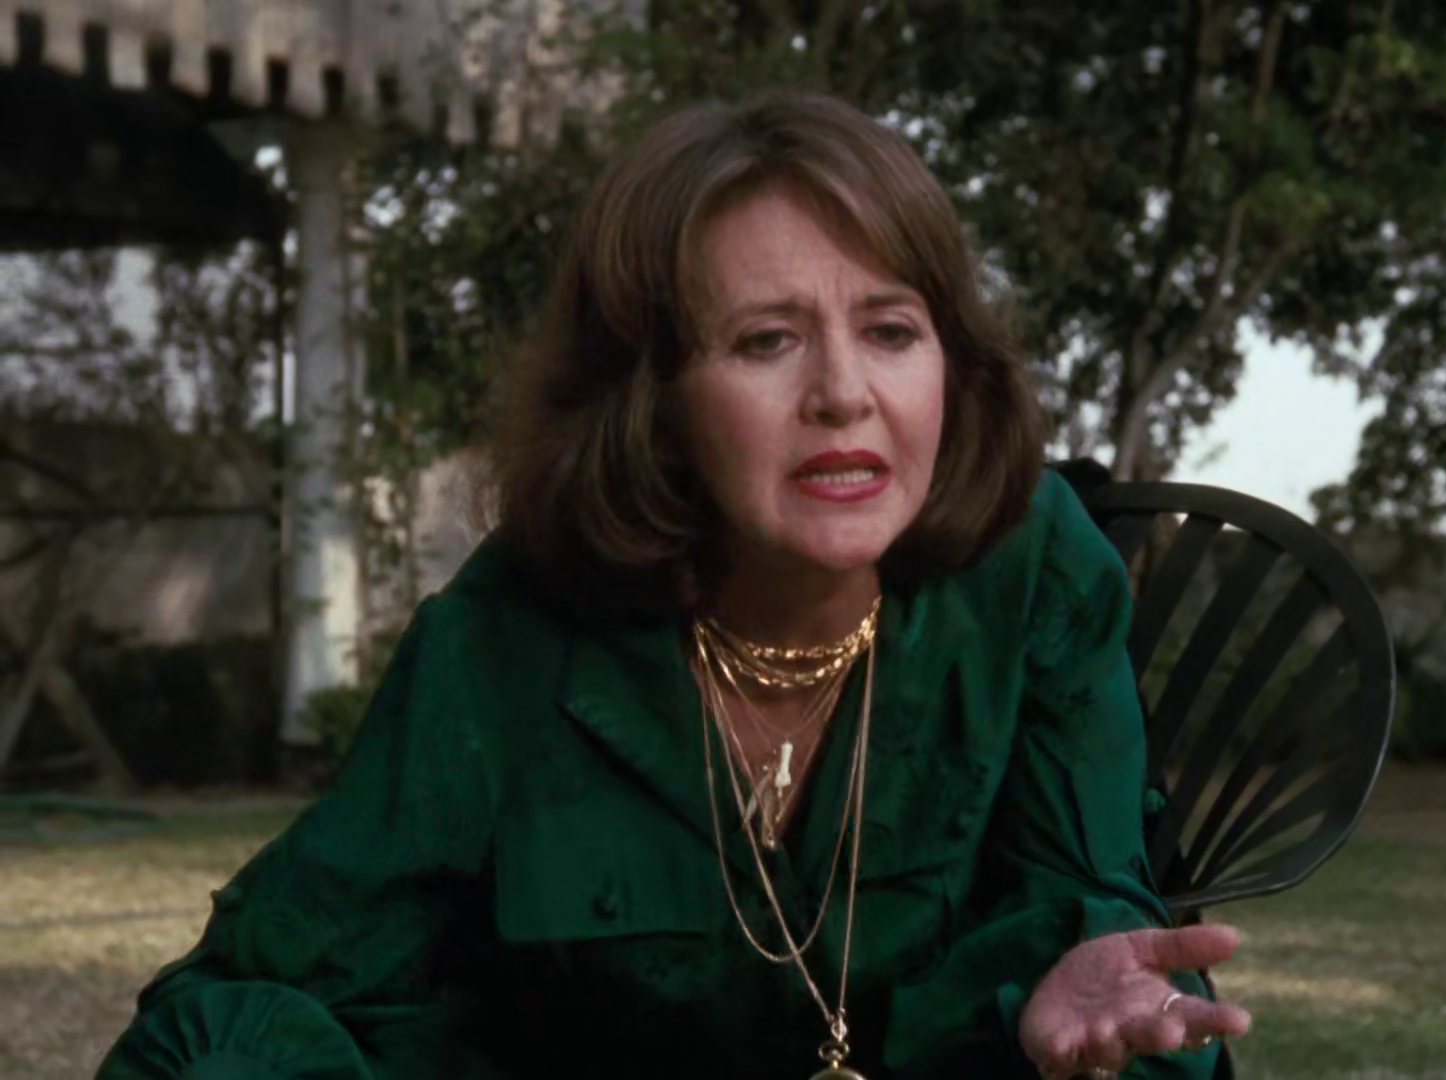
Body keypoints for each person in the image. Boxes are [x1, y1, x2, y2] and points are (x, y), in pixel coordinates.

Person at [98, 91, 1253, 1080]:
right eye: (765, 341)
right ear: (651, 401)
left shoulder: (1034, 569)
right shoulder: (510, 636)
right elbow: (245, 998)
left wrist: (1069, 1007)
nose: (844, 393)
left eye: (892, 330)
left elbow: (1094, 922)